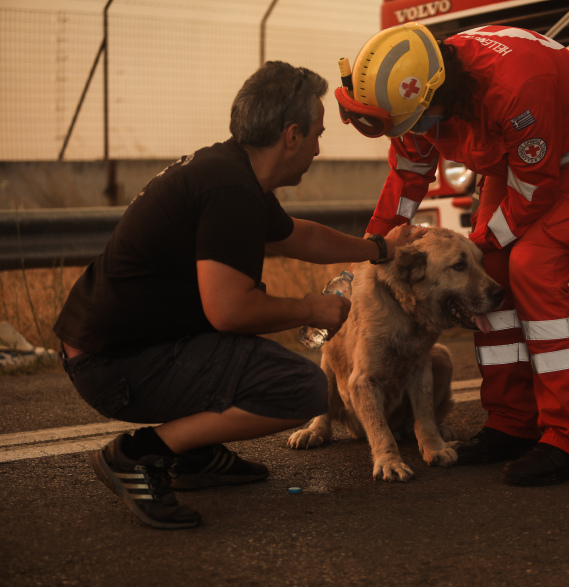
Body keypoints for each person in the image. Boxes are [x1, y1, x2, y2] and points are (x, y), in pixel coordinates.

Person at [53, 61, 419, 529]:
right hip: (113, 366)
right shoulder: (231, 192)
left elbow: (298, 237)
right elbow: (228, 310)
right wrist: (311, 308)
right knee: (298, 388)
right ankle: (138, 454)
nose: (318, 149)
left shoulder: (227, 171)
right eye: (316, 134)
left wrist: (379, 248)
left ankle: (196, 454)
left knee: (244, 358)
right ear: (291, 135)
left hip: (114, 349)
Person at [335, 24, 569, 486]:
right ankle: (511, 422)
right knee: (488, 275)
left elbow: (536, 187)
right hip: (519, 160)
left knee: (531, 268)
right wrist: (369, 253)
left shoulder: (517, 87)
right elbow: (407, 178)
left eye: (415, 123)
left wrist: (472, 251)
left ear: (441, 93)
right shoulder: (413, 98)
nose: (413, 133)